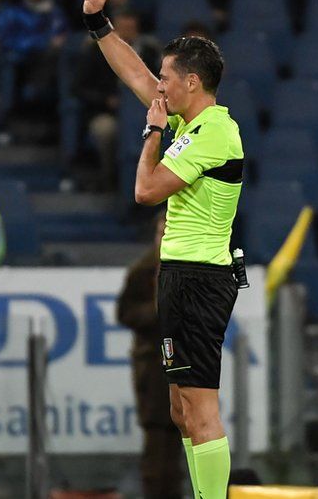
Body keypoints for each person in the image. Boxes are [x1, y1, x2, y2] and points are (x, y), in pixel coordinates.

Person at [83, 0, 244, 499]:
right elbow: (135, 73)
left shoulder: (213, 133)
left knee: (200, 410)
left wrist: (152, 132)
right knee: (180, 411)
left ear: (192, 82)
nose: (159, 89)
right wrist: (99, 23)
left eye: (168, 80)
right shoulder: (193, 122)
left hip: (199, 278)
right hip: (180, 275)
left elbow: (145, 190)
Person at [117, 214, 184, 499]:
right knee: (156, 442)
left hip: (183, 363)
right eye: (163, 228)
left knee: (179, 441)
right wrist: (157, 311)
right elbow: (125, 314)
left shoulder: (188, 269)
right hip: (152, 365)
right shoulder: (142, 271)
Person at [72, 10, 160, 189]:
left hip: (145, 114)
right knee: (106, 131)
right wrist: (105, 100)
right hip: (107, 113)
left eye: (131, 24)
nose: (128, 29)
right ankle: (111, 180)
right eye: (123, 24)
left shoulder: (150, 52)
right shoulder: (95, 51)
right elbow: (78, 88)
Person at [0, 0, 68, 112]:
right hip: (21, 59)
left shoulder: (55, 12)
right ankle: (6, 115)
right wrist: (44, 42)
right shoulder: (12, 12)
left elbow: (64, 34)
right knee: (7, 63)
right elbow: (7, 42)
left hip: (49, 61)